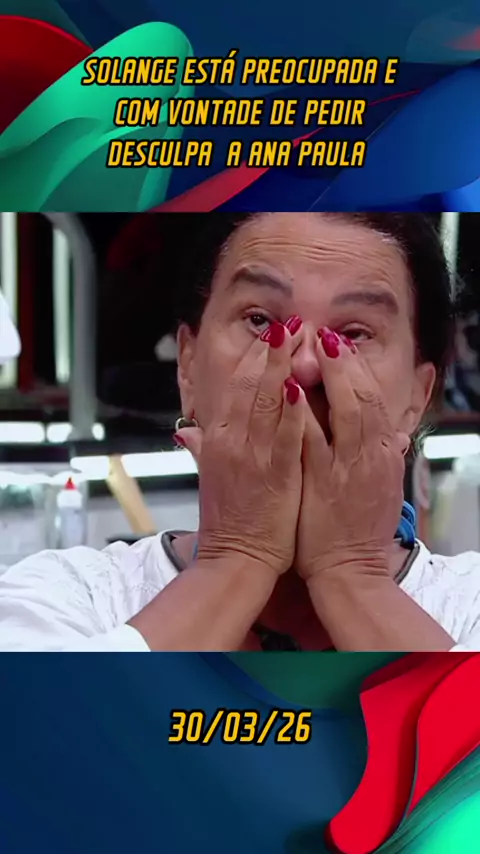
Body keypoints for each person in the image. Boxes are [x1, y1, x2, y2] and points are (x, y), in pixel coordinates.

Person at [0, 211, 479, 653]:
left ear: (418, 395)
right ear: (188, 366)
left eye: (353, 334)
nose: (305, 365)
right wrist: (235, 559)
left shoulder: (467, 604)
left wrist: (354, 575)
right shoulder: (62, 597)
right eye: (260, 321)